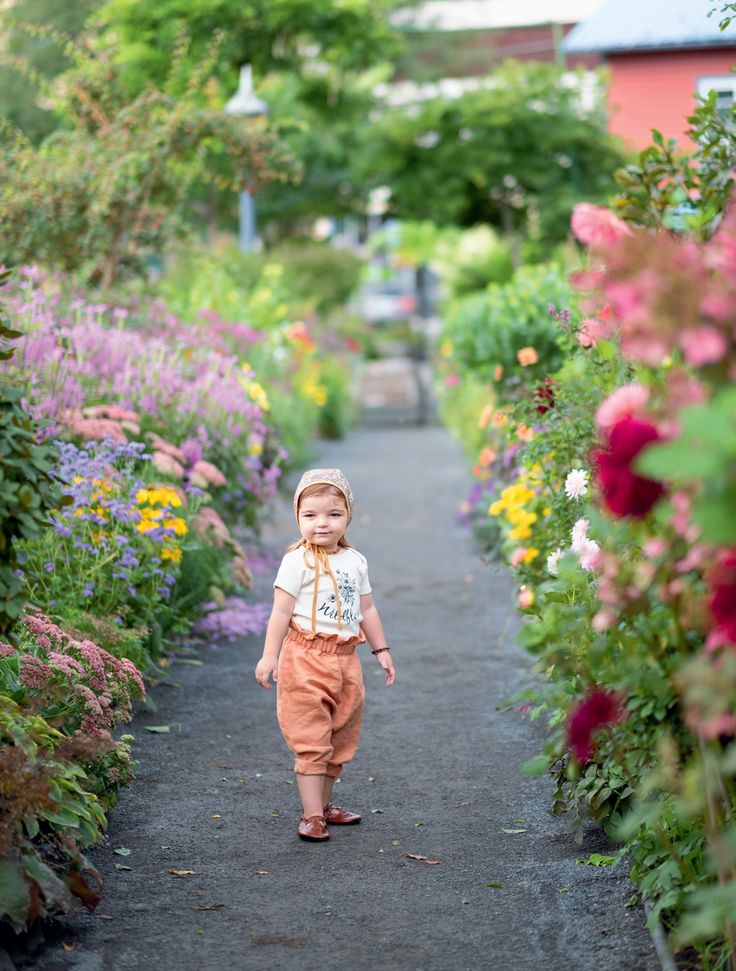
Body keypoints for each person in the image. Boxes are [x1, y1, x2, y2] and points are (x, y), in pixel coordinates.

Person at [255, 468, 394, 842]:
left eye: (334, 514)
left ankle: (325, 804)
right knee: (311, 734)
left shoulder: (355, 561)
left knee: (340, 734)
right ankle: (311, 814)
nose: (322, 524)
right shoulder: (296, 561)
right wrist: (270, 656)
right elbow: (281, 613)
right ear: (297, 517)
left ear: (348, 515)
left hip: (346, 660)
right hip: (304, 657)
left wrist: (381, 649)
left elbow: (367, 611)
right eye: (310, 515)